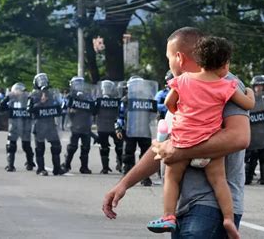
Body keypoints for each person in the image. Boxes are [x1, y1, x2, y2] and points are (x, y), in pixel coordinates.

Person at [102, 27, 250, 238]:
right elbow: (166, 146)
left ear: (179, 57)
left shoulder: (225, 84)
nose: (169, 64)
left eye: (168, 57)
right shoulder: (182, 88)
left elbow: (239, 137)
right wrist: (124, 184)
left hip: (210, 206)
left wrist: (180, 153)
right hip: (183, 207)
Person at [147, 36, 254, 238]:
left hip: (182, 142)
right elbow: (248, 105)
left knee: (171, 176)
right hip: (208, 144)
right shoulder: (227, 86)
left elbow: (169, 104)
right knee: (219, 180)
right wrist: (250, 93)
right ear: (224, 65)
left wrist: (182, 114)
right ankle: (229, 219)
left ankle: (168, 216)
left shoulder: (182, 81)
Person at [115, 75, 158, 186]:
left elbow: (153, 116)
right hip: (130, 130)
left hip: (144, 130)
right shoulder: (125, 100)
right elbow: (120, 116)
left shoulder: (149, 99)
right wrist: (118, 128)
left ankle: (145, 177)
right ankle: (127, 177)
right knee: (128, 155)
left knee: (146, 156)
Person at [27, 73, 65, 176]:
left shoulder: (52, 94)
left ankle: (57, 169)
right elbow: (29, 110)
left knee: (56, 147)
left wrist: (60, 106)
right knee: (40, 148)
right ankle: (41, 169)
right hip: (39, 124)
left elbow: (59, 107)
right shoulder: (33, 95)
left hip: (50, 123)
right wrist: (40, 103)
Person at [61, 76, 95, 174]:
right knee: (72, 147)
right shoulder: (70, 96)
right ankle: (66, 165)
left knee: (86, 147)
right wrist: (70, 110)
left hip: (85, 125)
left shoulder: (88, 96)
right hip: (75, 124)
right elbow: (63, 107)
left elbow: (94, 109)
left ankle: (84, 167)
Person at [245, 75, 264, 185]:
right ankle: (248, 178)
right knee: (250, 157)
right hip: (252, 132)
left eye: (261, 86)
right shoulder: (249, 97)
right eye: (256, 86)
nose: (258, 88)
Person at [0, 83, 35, 172]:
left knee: (26, 146)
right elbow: (0, 108)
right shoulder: (11, 99)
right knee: (11, 146)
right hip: (14, 125)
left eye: (18, 90)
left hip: (25, 124)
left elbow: (34, 109)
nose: (16, 92)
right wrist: (6, 98)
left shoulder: (29, 99)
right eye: (15, 91)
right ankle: (10, 165)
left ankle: (30, 162)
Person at [94, 80, 123, 174]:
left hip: (113, 125)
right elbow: (93, 112)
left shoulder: (117, 100)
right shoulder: (98, 100)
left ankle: (120, 164)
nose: (106, 90)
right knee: (104, 147)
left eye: (108, 88)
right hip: (102, 125)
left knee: (119, 146)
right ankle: (105, 167)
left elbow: (120, 112)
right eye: (105, 87)